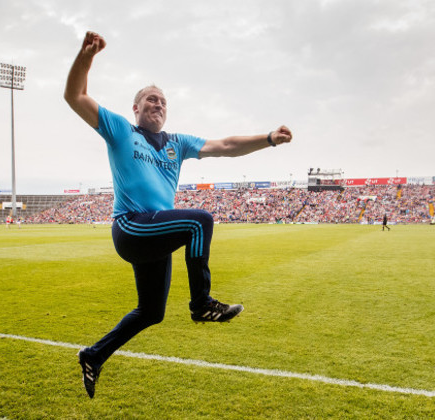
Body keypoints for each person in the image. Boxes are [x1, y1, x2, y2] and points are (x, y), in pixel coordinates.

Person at [64, 31, 293, 398]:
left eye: (163, 101)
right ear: (135, 109)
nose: (158, 104)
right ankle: (202, 303)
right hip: (130, 227)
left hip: (154, 235)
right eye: (150, 100)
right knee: (199, 220)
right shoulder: (122, 130)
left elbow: (227, 146)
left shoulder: (177, 144)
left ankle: (94, 355)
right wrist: (86, 57)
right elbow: (74, 96)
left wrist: (267, 138)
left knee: (151, 312)